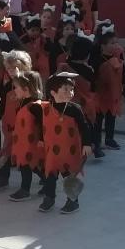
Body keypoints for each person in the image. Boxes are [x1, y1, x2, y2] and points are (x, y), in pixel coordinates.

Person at [39, 73, 93, 213]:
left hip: (69, 150)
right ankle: (49, 198)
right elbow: (41, 125)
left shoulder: (74, 109)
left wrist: (87, 143)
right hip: (52, 151)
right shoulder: (46, 108)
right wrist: (40, 139)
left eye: (72, 89)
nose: (70, 93)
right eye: (66, 89)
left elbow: (85, 126)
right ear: (53, 92)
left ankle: (73, 201)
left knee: (69, 176)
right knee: (50, 175)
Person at [0, 50, 33, 190]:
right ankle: (3, 179)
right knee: (6, 152)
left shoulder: (29, 83)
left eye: (15, 67)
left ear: (25, 66)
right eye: (9, 68)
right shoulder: (7, 84)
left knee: (25, 155)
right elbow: (2, 101)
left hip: (25, 126)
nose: (12, 71)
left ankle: (27, 187)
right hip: (8, 125)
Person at [58, 33, 100, 157]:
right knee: (89, 125)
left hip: (66, 102)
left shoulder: (64, 66)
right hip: (84, 103)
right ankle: (93, 145)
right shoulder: (88, 70)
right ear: (87, 55)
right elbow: (94, 86)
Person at [8, 71, 47, 201]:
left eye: (16, 87)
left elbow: (43, 124)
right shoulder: (24, 102)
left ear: (26, 89)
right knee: (33, 166)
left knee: (27, 165)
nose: (14, 90)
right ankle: (48, 182)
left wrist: (42, 139)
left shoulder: (35, 106)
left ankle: (25, 190)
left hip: (32, 143)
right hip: (24, 142)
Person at [92, 25, 125, 150]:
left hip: (113, 94)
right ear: (103, 45)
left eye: (116, 42)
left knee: (111, 116)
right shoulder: (97, 59)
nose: (115, 45)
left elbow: (122, 74)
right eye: (112, 43)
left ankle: (109, 139)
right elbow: (94, 76)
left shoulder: (118, 58)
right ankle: (96, 140)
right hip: (101, 94)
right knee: (98, 118)